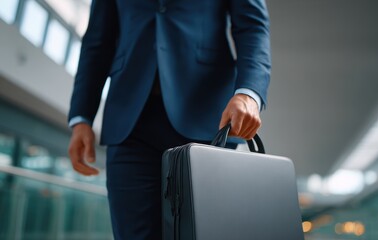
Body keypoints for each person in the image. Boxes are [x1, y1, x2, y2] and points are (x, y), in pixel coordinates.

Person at [68, 0, 271, 239]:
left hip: (207, 122)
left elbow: (252, 27)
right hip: (129, 123)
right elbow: (97, 41)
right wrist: (82, 118)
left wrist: (248, 92)